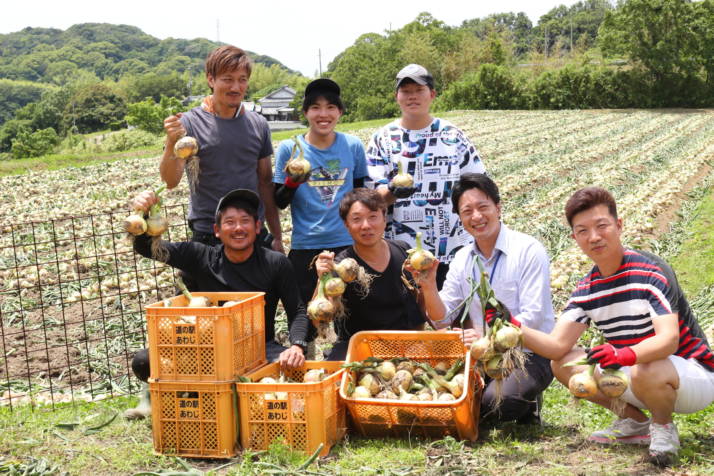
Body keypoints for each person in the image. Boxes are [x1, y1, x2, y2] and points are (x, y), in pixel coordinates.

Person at [513, 187, 714, 467]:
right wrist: (511, 328)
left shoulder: (650, 270)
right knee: (563, 363)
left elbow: (668, 341)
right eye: (582, 231)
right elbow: (557, 346)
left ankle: (663, 428)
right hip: (638, 371)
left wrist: (622, 355)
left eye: (601, 226)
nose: (593, 237)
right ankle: (634, 422)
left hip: (691, 375)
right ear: (574, 238)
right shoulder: (587, 287)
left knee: (648, 365)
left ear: (619, 226)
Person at [124, 189, 309, 419]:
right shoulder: (201, 257)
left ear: (258, 227)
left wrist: (297, 346)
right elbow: (148, 248)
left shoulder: (276, 262)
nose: (238, 228)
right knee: (144, 362)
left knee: (296, 368)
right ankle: (172, 398)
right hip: (204, 351)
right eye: (230, 222)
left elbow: (298, 311)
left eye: (245, 221)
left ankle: (208, 398)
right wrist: (142, 214)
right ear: (217, 231)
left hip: (258, 350)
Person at [418, 173, 555, 423]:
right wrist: (428, 286)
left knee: (496, 404)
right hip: (482, 354)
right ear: (460, 218)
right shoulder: (462, 258)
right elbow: (442, 320)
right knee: (443, 392)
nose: (477, 217)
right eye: (467, 211)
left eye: (483, 207)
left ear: (498, 207)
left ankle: (528, 401)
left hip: (528, 351)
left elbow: (532, 318)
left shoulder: (528, 250)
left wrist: (483, 338)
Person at [365, 64, 486, 288]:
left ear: (432, 94)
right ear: (397, 96)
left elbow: (480, 184)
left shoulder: (452, 135)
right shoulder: (382, 139)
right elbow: (371, 199)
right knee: (411, 318)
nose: (412, 96)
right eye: (406, 91)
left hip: (454, 246)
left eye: (419, 90)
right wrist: (392, 191)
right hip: (402, 251)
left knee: (459, 315)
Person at [160, 45, 283, 253]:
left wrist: (277, 237)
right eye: (227, 79)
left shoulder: (258, 124)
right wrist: (172, 142)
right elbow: (170, 181)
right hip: (209, 234)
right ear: (211, 80)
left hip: (252, 231)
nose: (236, 87)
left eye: (242, 79)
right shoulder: (189, 124)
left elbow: (264, 183)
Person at [273, 78, 368, 338]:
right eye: (315, 107)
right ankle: (306, 367)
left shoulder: (352, 146)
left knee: (351, 320)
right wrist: (293, 182)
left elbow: (360, 195)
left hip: (346, 245)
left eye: (330, 107)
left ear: (340, 112)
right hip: (306, 247)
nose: (323, 114)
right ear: (305, 113)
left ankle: (348, 370)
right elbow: (279, 200)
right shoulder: (290, 149)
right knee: (305, 321)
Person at [314, 188, 426, 360]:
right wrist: (322, 280)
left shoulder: (403, 251)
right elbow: (319, 321)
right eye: (357, 219)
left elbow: (419, 305)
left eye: (373, 216)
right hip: (358, 350)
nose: (366, 225)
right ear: (346, 224)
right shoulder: (340, 266)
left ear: (384, 218)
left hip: (406, 345)